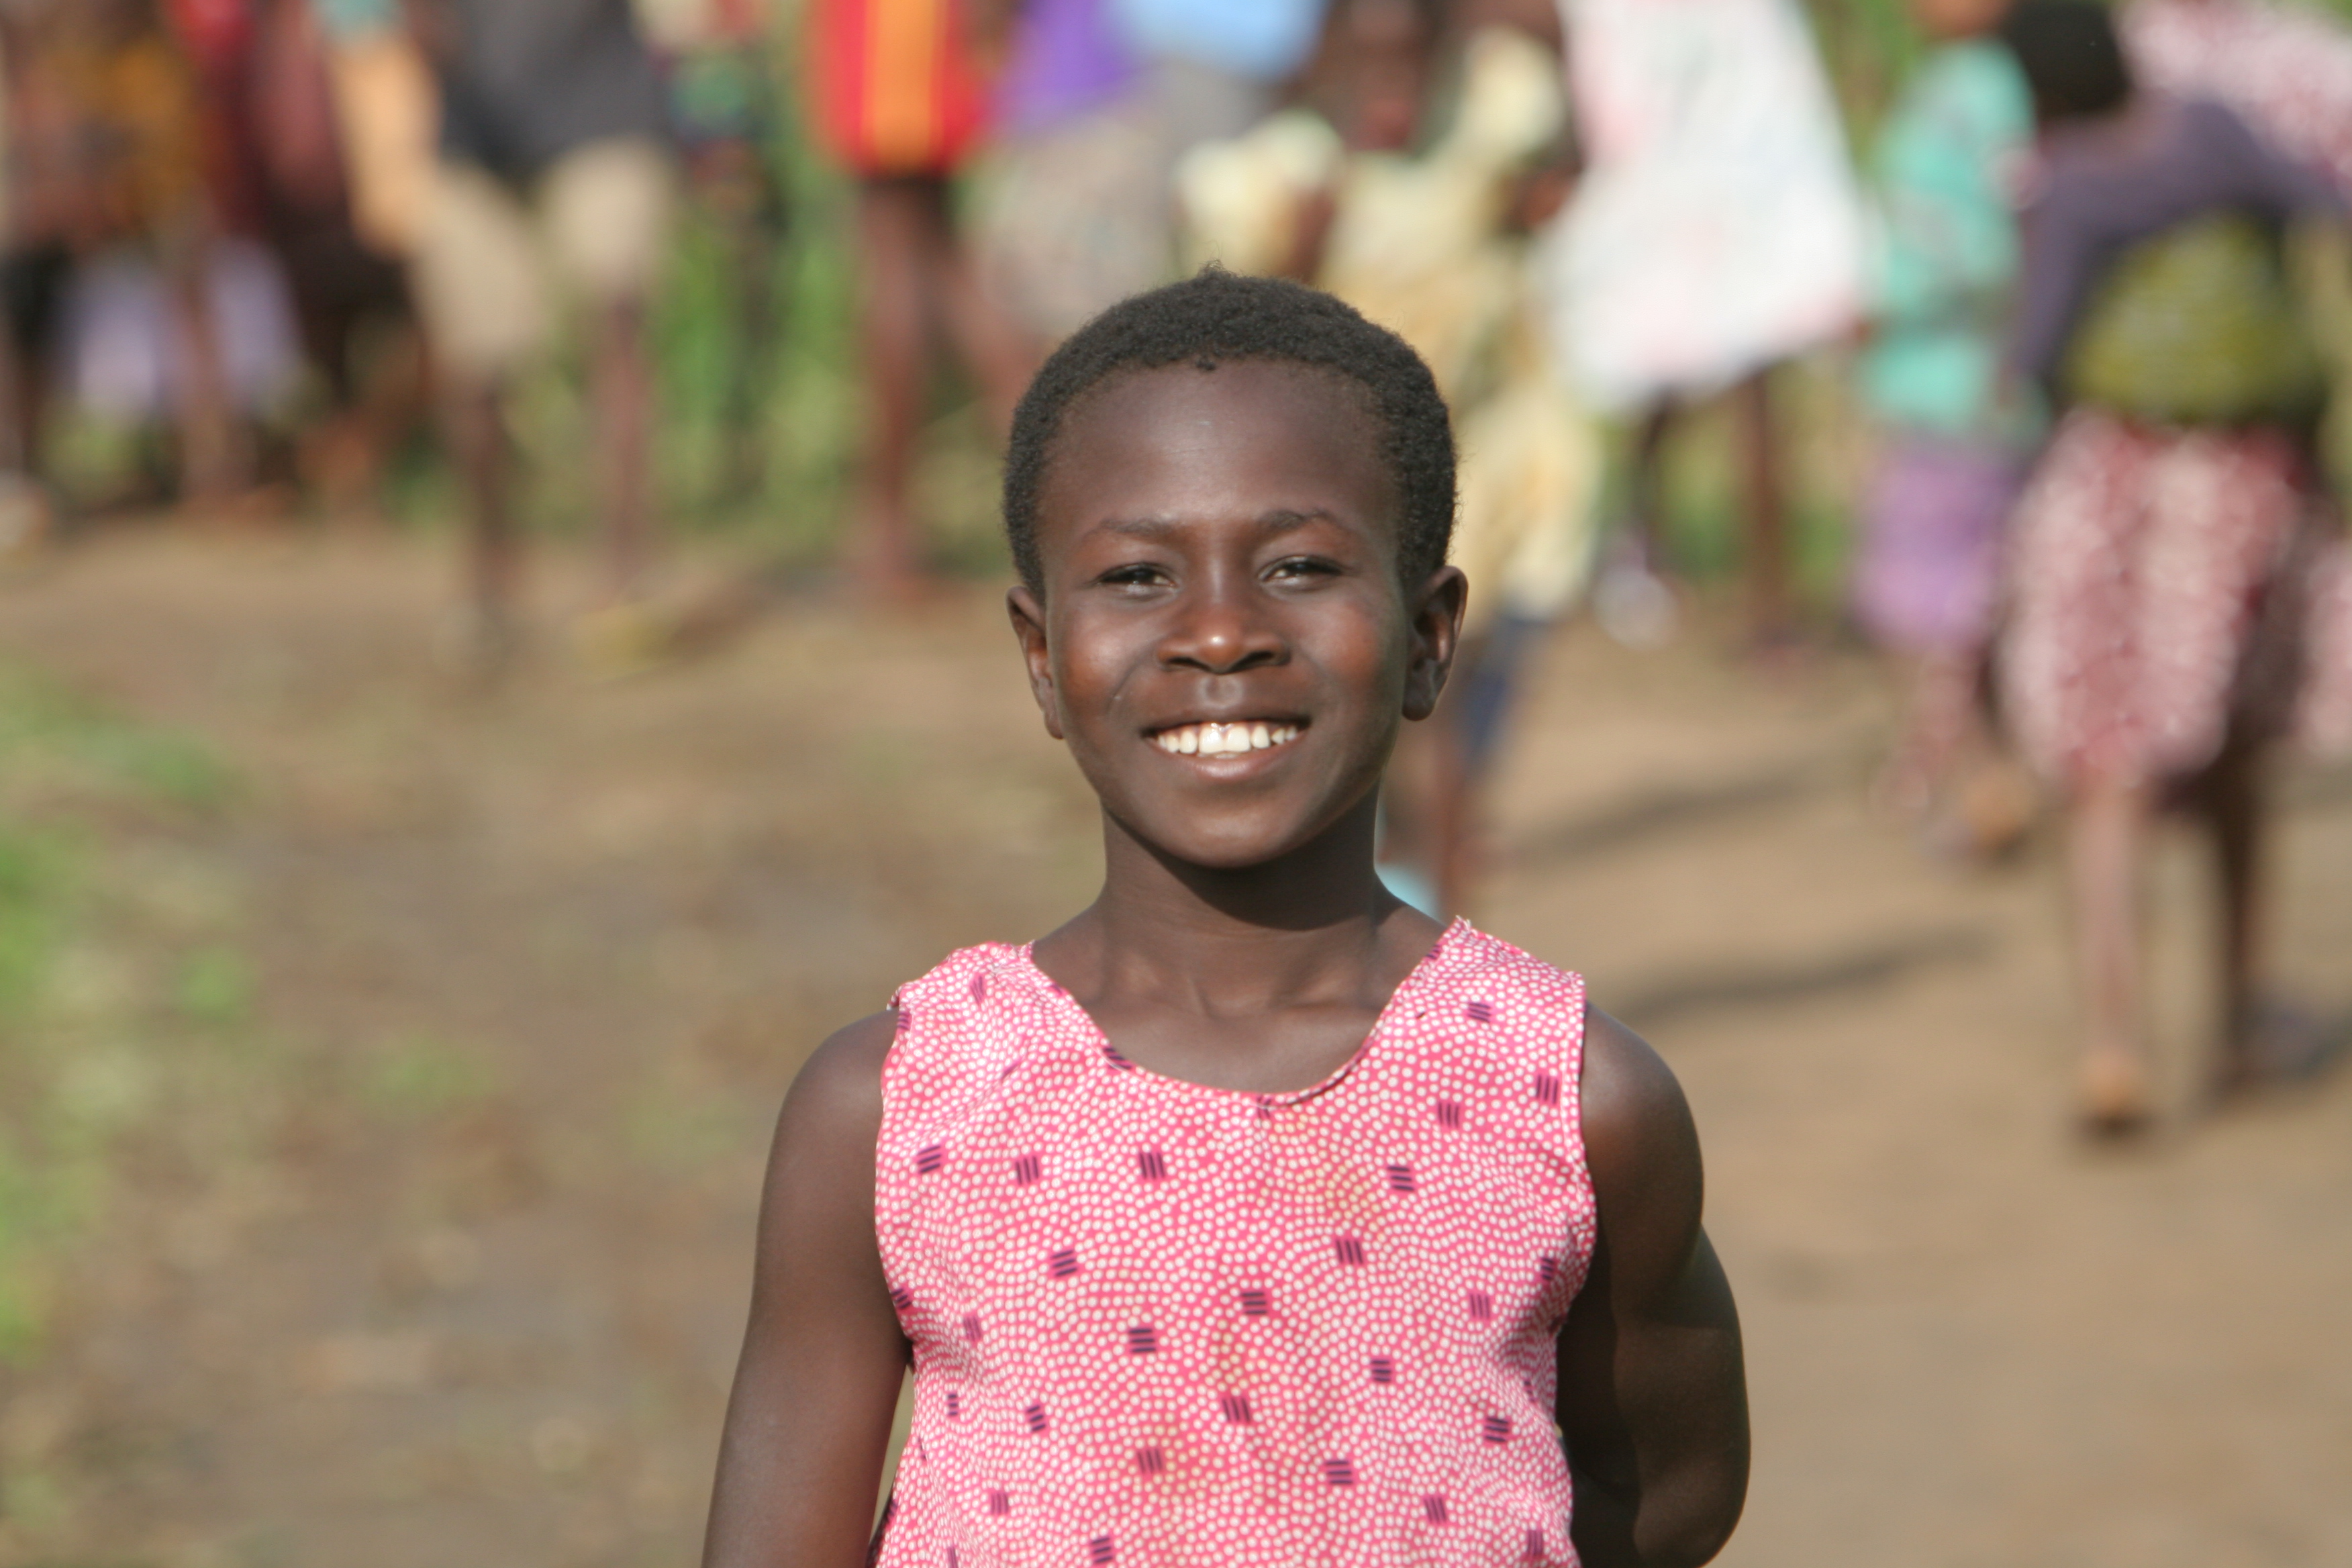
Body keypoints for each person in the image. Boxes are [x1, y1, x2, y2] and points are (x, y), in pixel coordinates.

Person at [701, 269, 1750, 1567]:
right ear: (1041, 656)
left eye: (1298, 566)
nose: (1217, 632)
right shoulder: (901, 1107)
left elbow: (1661, 1486)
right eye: (1136, 575)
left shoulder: (1568, 1100)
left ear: (1428, 637)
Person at [1994, 0, 2352, 1133]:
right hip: (2249, 484)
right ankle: (2239, 1015)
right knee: (2235, 750)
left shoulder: (2070, 181)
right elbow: (2323, 204)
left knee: (2104, 763)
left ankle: (2114, 1041)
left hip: (2114, 477)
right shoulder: (2209, 128)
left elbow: (2036, 349)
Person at [1543, 0, 1867, 649]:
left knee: (1753, 395)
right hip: (1661, 186)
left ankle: (1768, 604)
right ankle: (1636, 546)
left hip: (1743, 193)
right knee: (1661, 388)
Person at [403, 0, 677, 668]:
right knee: (477, 369)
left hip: (603, 111)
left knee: (615, 331)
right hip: (474, 130)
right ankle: (488, 582)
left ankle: (624, 582)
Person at [1852, 0, 2037, 848]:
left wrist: (1886, 301)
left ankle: (1977, 780)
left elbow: (2001, 243)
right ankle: (1981, 773)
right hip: (1944, 389)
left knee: (1927, 602)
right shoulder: (1958, 83)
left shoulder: (1991, 95)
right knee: (1966, 598)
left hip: (1964, 391)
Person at [806, 0, 1034, 598]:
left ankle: (888, 536)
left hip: (898, 32)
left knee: (899, 250)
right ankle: (1051, 480)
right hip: (913, 31)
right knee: (936, 252)